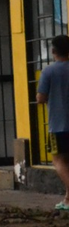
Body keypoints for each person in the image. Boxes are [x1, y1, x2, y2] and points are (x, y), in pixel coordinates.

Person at [36, 34, 69, 210]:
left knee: (59, 161)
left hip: (59, 123)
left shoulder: (48, 71)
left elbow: (41, 97)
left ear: (53, 51)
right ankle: (67, 200)